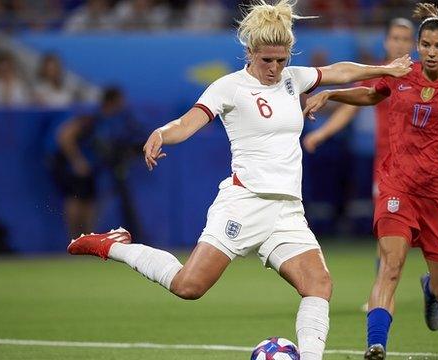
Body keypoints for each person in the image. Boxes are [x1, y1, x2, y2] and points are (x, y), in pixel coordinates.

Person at [66, 1, 412, 359]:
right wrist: (162, 133)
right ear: (249, 52)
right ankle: (114, 245)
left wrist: (384, 69)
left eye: (281, 60)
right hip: (244, 203)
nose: (275, 68)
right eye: (266, 61)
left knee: (319, 284)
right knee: (189, 286)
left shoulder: (294, 79)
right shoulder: (229, 88)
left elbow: (340, 71)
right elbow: (188, 122)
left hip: (287, 210)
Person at [303, 3, 438, 359]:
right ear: (417, 44)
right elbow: (368, 94)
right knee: (389, 267)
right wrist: (331, 93)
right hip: (398, 188)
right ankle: (376, 344)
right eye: (425, 44)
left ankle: (430, 289)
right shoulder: (401, 74)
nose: (430, 52)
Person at [303, 16, 438, 313]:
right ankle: (384, 295)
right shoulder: (382, 74)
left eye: (405, 39)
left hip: (431, 172)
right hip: (391, 170)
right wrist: (322, 134)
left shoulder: (430, 76)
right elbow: (353, 107)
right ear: (386, 41)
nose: (400, 44)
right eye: (395, 38)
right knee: (388, 238)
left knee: (431, 233)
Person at [53, 87, 144, 239]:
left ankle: (86, 239)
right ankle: (73, 238)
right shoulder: (92, 117)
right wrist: (77, 160)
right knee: (76, 200)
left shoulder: (110, 120)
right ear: (112, 101)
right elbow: (65, 136)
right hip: (75, 167)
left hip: (91, 168)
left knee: (89, 202)